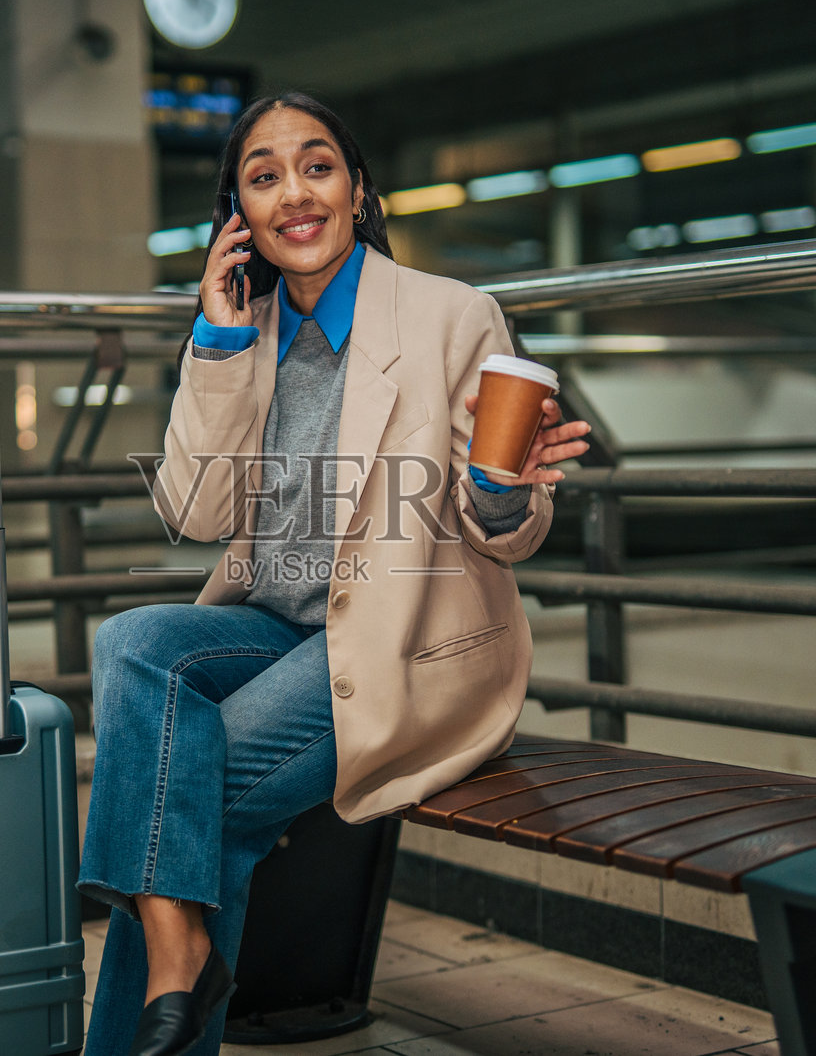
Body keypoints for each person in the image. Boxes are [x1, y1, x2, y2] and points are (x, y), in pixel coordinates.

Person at [76, 91, 591, 1056]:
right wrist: (218, 345)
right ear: (240, 219)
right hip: (278, 626)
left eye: (316, 166)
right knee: (132, 641)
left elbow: (505, 529)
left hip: (409, 643)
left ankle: (170, 976)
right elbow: (193, 513)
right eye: (263, 177)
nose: (294, 193)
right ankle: (182, 960)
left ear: (358, 190)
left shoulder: (452, 315)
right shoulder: (249, 331)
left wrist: (510, 493)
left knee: (190, 797)